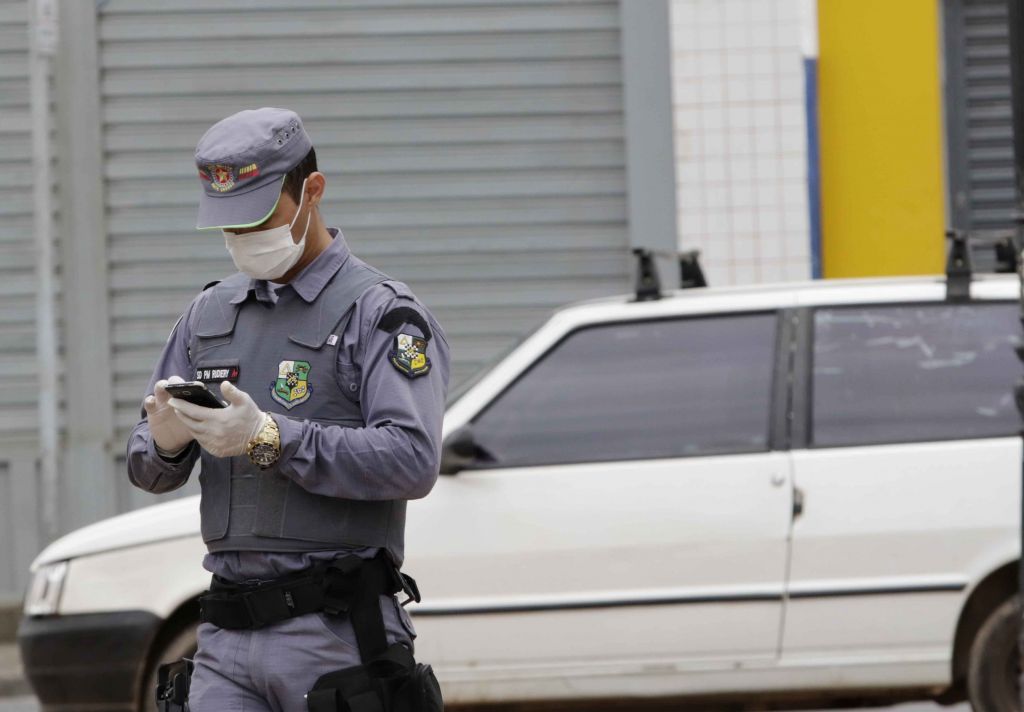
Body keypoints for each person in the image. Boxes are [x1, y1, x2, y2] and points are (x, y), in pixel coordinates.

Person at [126, 107, 450, 712]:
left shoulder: (380, 315)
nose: (244, 238)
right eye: (230, 226)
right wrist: (165, 439)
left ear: (313, 193)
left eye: (258, 218)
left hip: (334, 635)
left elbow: (412, 458)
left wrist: (270, 436)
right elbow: (146, 468)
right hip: (224, 635)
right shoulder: (208, 316)